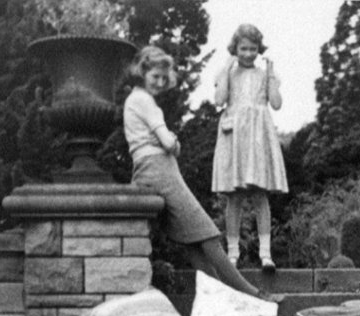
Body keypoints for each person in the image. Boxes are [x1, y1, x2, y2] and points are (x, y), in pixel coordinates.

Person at [123, 46, 272, 300]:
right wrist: (174, 142)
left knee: (193, 243)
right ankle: (252, 295)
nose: (160, 82)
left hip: (149, 169)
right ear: (142, 73)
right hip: (159, 169)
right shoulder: (143, 101)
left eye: (163, 78)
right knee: (208, 234)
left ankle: (223, 301)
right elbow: (168, 143)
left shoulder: (134, 99)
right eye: (154, 76)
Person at [211, 24, 288, 272]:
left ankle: (265, 254)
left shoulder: (265, 74)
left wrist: (272, 74)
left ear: (259, 49)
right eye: (243, 48)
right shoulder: (228, 73)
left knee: (259, 194)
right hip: (235, 138)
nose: (248, 53)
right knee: (234, 197)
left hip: (258, 137)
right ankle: (232, 254)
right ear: (235, 49)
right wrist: (225, 67)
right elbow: (219, 100)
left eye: (253, 49)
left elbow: (276, 104)